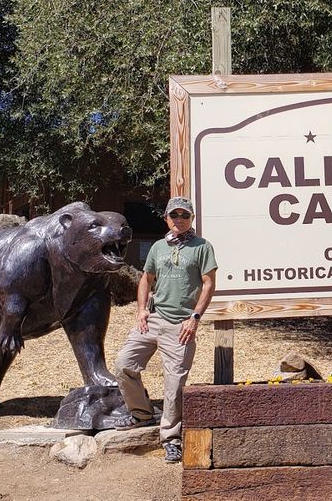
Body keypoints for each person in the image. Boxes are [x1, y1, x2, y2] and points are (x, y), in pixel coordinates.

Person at [113, 197, 217, 463]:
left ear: (192, 218)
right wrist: (141, 310)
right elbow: (146, 279)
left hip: (181, 325)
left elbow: (208, 284)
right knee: (124, 364)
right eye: (174, 215)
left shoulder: (202, 247)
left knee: (174, 385)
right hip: (153, 319)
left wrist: (195, 317)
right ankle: (141, 413)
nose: (179, 219)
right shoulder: (158, 247)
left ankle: (171, 439)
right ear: (166, 218)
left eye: (184, 215)